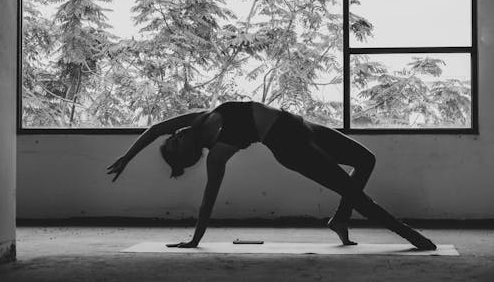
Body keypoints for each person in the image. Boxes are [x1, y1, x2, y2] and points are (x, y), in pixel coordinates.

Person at [107, 100, 437, 250]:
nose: (175, 133)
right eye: (176, 142)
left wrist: (127, 156)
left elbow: (154, 128)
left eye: (174, 135)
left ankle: (339, 219)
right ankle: (409, 236)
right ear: (189, 151)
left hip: (305, 126)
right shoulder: (218, 154)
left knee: (366, 159)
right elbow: (209, 199)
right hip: (291, 146)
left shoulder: (199, 117)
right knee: (356, 193)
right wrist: (195, 240)